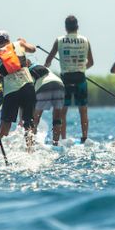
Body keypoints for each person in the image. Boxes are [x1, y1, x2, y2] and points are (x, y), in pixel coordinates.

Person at [43, 15, 94, 143]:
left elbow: (48, 61)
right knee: (83, 110)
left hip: (65, 79)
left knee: (62, 111)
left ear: (66, 28)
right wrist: (81, 68)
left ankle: (63, 139)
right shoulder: (85, 40)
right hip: (80, 78)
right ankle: (84, 137)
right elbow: (91, 62)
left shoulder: (59, 40)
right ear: (77, 26)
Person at [0, 32, 37, 149]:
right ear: (9, 40)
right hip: (28, 87)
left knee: (5, 124)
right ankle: (30, 150)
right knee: (29, 122)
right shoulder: (19, 44)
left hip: (11, 92)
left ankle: (0, 151)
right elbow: (33, 49)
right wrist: (24, 42)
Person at [30, 63, 65, 145]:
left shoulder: (28, 72)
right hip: (59, 84)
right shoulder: (42, 67)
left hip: (44, 86)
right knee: (57, 118)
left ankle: (31, 144)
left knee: (35, 118)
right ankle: (56, 144)